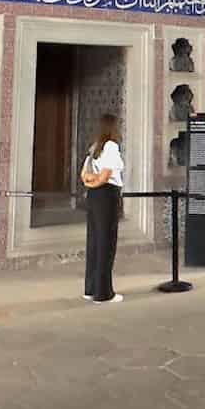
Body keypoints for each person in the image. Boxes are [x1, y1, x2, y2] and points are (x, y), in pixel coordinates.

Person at [79, 113, 125, 304]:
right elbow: (105, 176)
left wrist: (90, 184)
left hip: (94, 197)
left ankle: (90, 289)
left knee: (94, 241)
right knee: (106, 243)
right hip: (107, 196)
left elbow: (84, 174)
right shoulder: (111, 147)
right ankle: (104, 293)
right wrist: (96, 183)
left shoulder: (94, 147)